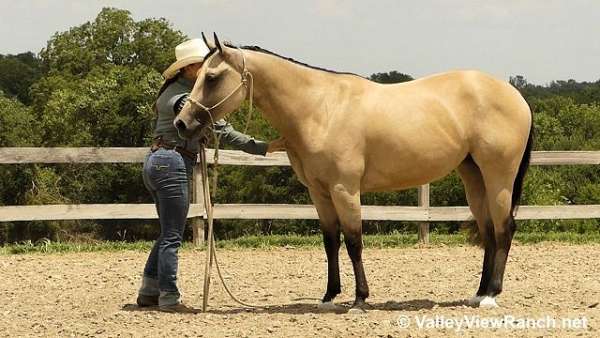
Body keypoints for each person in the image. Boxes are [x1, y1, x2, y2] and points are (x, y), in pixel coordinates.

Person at [136, 38, 284, 312]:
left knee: (168, 232)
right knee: (172, 236)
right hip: (171, 161)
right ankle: (168, 297)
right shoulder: (182, 97)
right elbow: (219, 129)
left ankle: (149, 291)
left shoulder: (175, 92)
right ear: (189, 68)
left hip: (159, 161)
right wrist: (263, 147)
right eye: (201, 64)